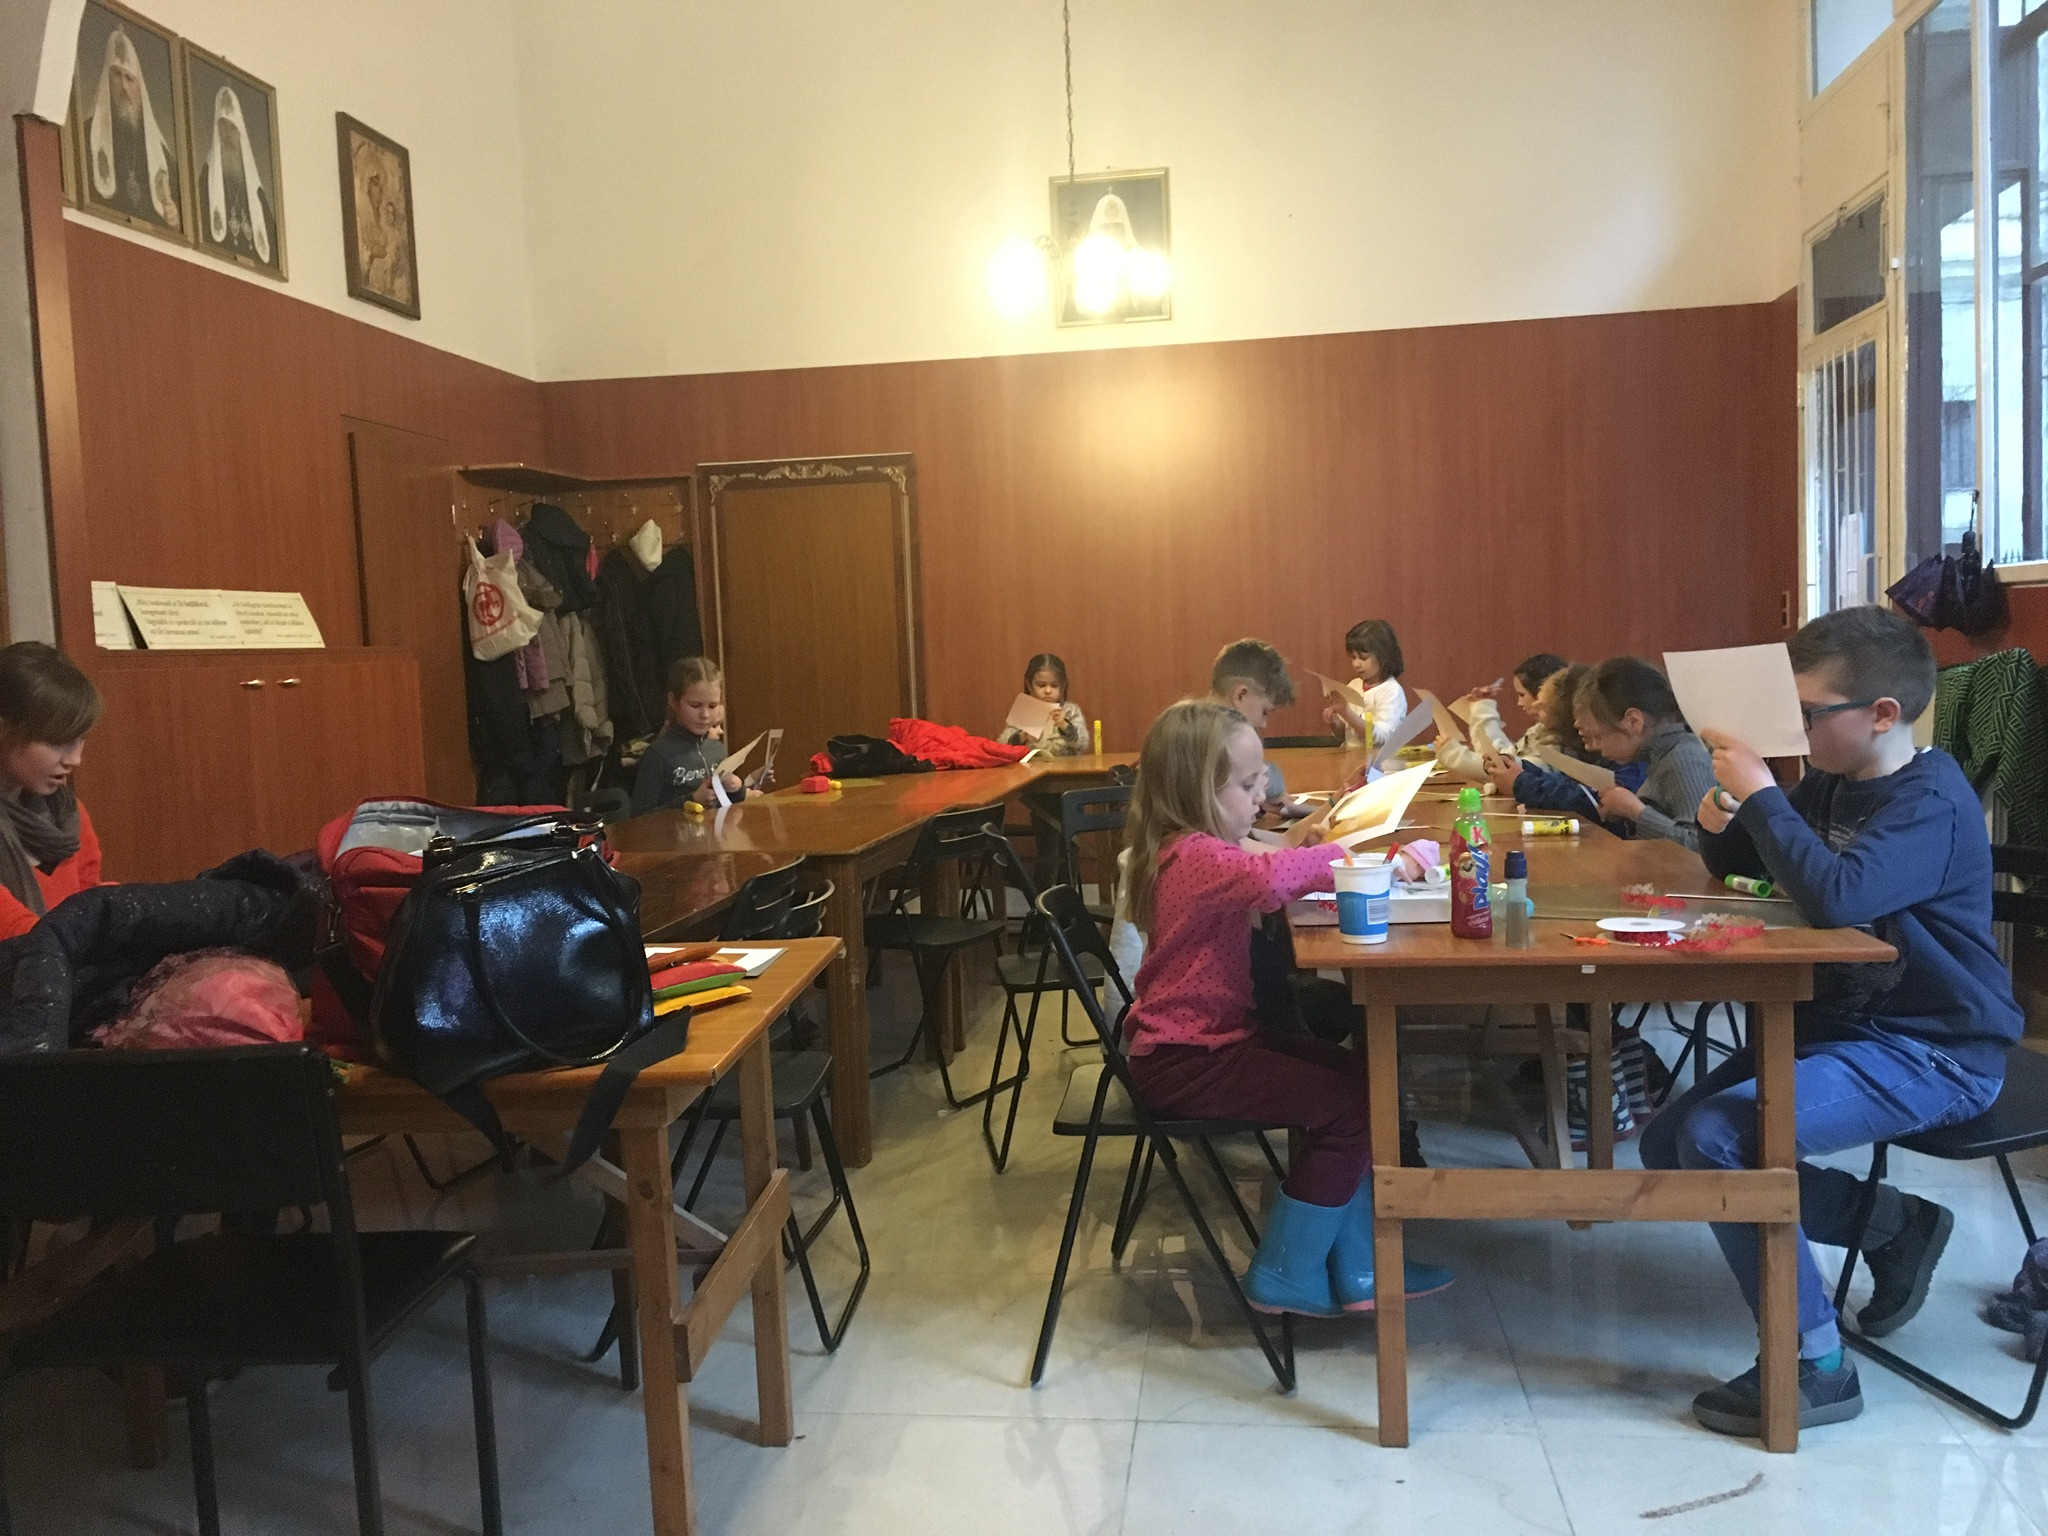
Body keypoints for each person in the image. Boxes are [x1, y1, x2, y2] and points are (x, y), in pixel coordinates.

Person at [1641, 605, 2021, 1437]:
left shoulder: (1931, 799)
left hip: (1936, 1050)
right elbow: (1754, 860)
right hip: (1846, 1033)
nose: (1794, 729)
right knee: (1667, 1141)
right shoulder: (1832, 780)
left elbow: (1837, 895)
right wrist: (1724, 817)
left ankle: (1816, 1363)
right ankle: (1890, 1224)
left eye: (1807, 713)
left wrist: (1763, 795)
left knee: (1719, 1137)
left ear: (1882, 714)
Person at [1119, 698, 1453, 1315]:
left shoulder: (1185, 847)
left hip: (1202, 1046)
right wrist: (1380, 861)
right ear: (1197, 791)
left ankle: (1358, 1266)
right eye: (1247, 785)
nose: (1262, 796)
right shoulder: (1195, 855)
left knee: (1359, 1080)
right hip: (1188, 1060)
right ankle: (1286, 1272)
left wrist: (1325, 846)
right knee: (1350, 1105)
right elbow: (1272, 880)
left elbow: (1271, 865)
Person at [0, 643, 105, 942]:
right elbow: (14, 927)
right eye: (57, 741)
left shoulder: (67, 812)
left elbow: (88, 897)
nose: (75, 759)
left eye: (81, 739)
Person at [1571, 657, 1716, 850]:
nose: (1595, 747)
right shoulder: (1661, 755)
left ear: (1633, 721)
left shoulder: (1684, 758)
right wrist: (1623, 810)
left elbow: (1700, 847)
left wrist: (1635, 811)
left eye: (1598, 736)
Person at [630, 658, 758, 815]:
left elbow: (728, 807)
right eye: (695, 705)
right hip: (675, 831)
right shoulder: (658, 755)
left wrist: (737, 789)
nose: (705, 715)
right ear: (673, 701)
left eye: (712, 706)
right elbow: (639, 818)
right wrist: (691, 800)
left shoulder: (718, 750)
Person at [84, 26, 180, 230]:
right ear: (107, 81)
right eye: (116, 75)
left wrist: (174, 214)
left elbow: (177, 223)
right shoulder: (86, 137)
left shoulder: (164, 159)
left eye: (129, 79)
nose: (124, 88)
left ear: (140, 87)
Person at [1436, 652, 1569, 782]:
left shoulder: (1561, 741)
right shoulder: (1540, 730)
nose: (1519, 703)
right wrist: (1483, 706)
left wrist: (1453, 755)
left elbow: (1512, 771)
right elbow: (1500, 755)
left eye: (1522, 695)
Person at [1208, 637, 1297, 812]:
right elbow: (1271, 780)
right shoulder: (1216, 739)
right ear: (1241, 696)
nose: (1264, 724)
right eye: (1265, 711)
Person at [197, 85, 276, 266]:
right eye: (222, 126)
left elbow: (272, 244)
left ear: (241, 134)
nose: (227, 134)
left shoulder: (255, 189)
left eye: (232, 128)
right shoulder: (207, 177)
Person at [1322, 619, 1408, 750]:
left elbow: (1383, 738)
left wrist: (1347, 714)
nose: (1356, 664)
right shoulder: (1354, 685)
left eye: (1363, 658)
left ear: (1383, 657)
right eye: (1353, 657)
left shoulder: (1392, 691)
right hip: (1350, 758)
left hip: (1379, 761)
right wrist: (1336, 721)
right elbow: (1345, 735)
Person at [996, 653, 1088, 756]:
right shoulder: (1023, 712)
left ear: (1062, 685)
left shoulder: (1071, 711)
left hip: (1066, 764)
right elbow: (1002, 745)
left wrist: (1065, 726)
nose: (1048, 691)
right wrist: (1022, 736)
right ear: (1030, 685)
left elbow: (1083, 744)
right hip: (1032, 764)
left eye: (1054, 685)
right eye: (1041, 685)